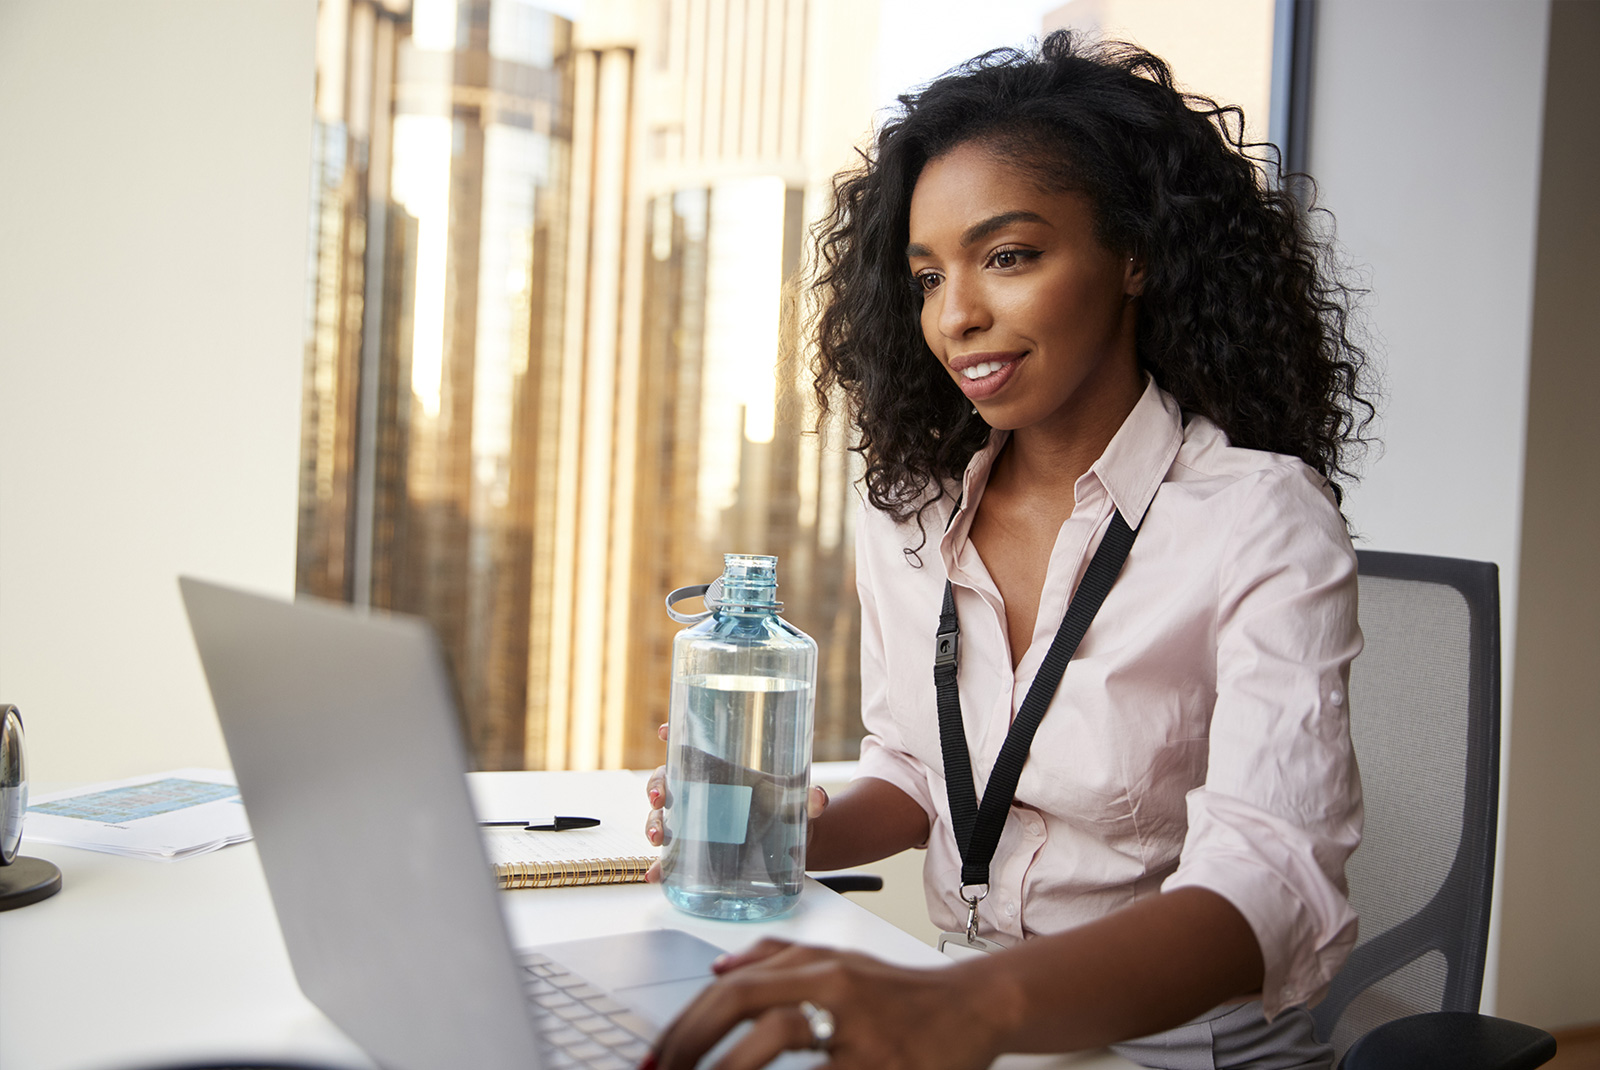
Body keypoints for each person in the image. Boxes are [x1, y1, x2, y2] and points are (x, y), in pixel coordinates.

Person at [641, 30, 1373, 1070]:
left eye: (1009, 255)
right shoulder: (911, 512)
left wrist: (969, 1009)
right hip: (957, 1013)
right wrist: (778, 829)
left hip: (1172, 1049)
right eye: (928, 276)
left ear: (1134, 254)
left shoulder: (1258, 518)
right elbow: (915, 770)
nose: (958, 315)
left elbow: (1265, 884)